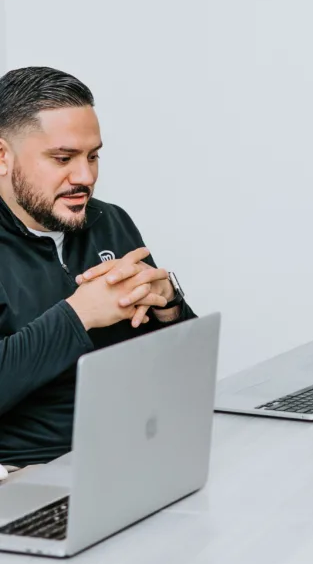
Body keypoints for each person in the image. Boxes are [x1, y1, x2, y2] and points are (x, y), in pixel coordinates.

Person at [0, 66, 196, 469]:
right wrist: (80, 314)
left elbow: (182, 369)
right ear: (3, 156)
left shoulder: (110, 221)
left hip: (133, 452)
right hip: (27, 474)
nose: (85, 176)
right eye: (63, 158)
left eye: (93, 156)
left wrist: (169, 306)